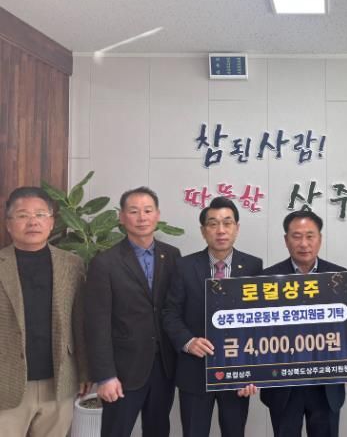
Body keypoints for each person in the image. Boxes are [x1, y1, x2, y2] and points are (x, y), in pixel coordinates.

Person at [84, 186, 180, 437]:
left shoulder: (172, 256)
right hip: (123, 371)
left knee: (159, 430)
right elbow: (97, 324)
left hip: (164, 367)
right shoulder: (105, 262)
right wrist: (105, 376)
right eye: (134, 211)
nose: (142, 217)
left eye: (148, 210)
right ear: (122, 217)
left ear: (157, 215)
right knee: (116, 431)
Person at [163, 196, 262, 437]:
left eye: (227, 223)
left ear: (237, 228)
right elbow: (170, 313)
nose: (221, 230)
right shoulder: (184, 266)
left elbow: (260, 322)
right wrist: (188, 341)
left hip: (237, 374)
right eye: (213, 223)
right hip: (194, 372)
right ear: (203, 230)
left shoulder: (253, 267)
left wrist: (254, 371)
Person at [0, 186, 89, 436]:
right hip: (6, 382)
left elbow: (80, 322)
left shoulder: (72, 264)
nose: (33, 222)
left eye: (40, 214)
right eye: (22, 215)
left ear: (51, 222)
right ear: (9, 224)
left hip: (59, 382)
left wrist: (85, 371)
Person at [259, 210, 347, 437]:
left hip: (325, 385)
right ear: (286, 240)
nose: (304, 243)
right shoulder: (267, 279)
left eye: (310, 236)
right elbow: (257, 333)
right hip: (283, 387)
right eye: (296, 236)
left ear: (320, 239)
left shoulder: (338, 277)